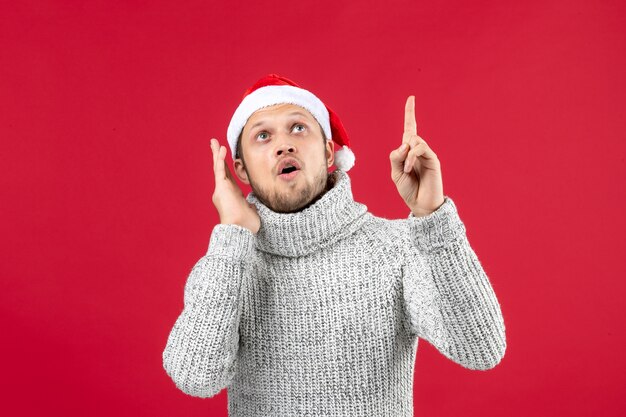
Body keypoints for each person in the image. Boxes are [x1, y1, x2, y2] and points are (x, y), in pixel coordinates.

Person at [162, 73, 507, 416]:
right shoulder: (228, 264)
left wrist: (433, 218)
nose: (284, 144)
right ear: (241, 169)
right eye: (263, 136)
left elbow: (481, 348)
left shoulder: (394, 249)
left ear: (329, 153)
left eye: (298, 127)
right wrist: (232, 234)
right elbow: (196, 377)